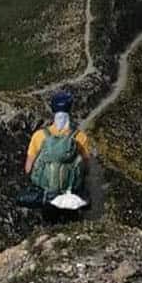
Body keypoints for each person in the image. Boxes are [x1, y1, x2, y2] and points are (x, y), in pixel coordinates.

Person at [25, 91, 95, 223]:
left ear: (53, 110)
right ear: (70, 109)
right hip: (70, 196)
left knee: (49, 226)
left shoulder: (39, 136)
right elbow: (86, 168)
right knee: (71, 228)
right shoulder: (80, 137)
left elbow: (28, 168)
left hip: (47, 195)